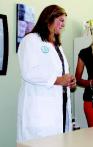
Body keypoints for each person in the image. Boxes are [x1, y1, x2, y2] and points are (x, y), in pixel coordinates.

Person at [17, 5, 76, 142]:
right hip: (39, 110)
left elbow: (61, 73)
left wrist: (69, 81)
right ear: (49, 18)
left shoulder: (57, 45)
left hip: (59, 108)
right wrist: (58, 80)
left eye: (64, 22)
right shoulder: (31, 40)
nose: (63, 25)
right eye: (60, 20)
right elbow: (28, 72)